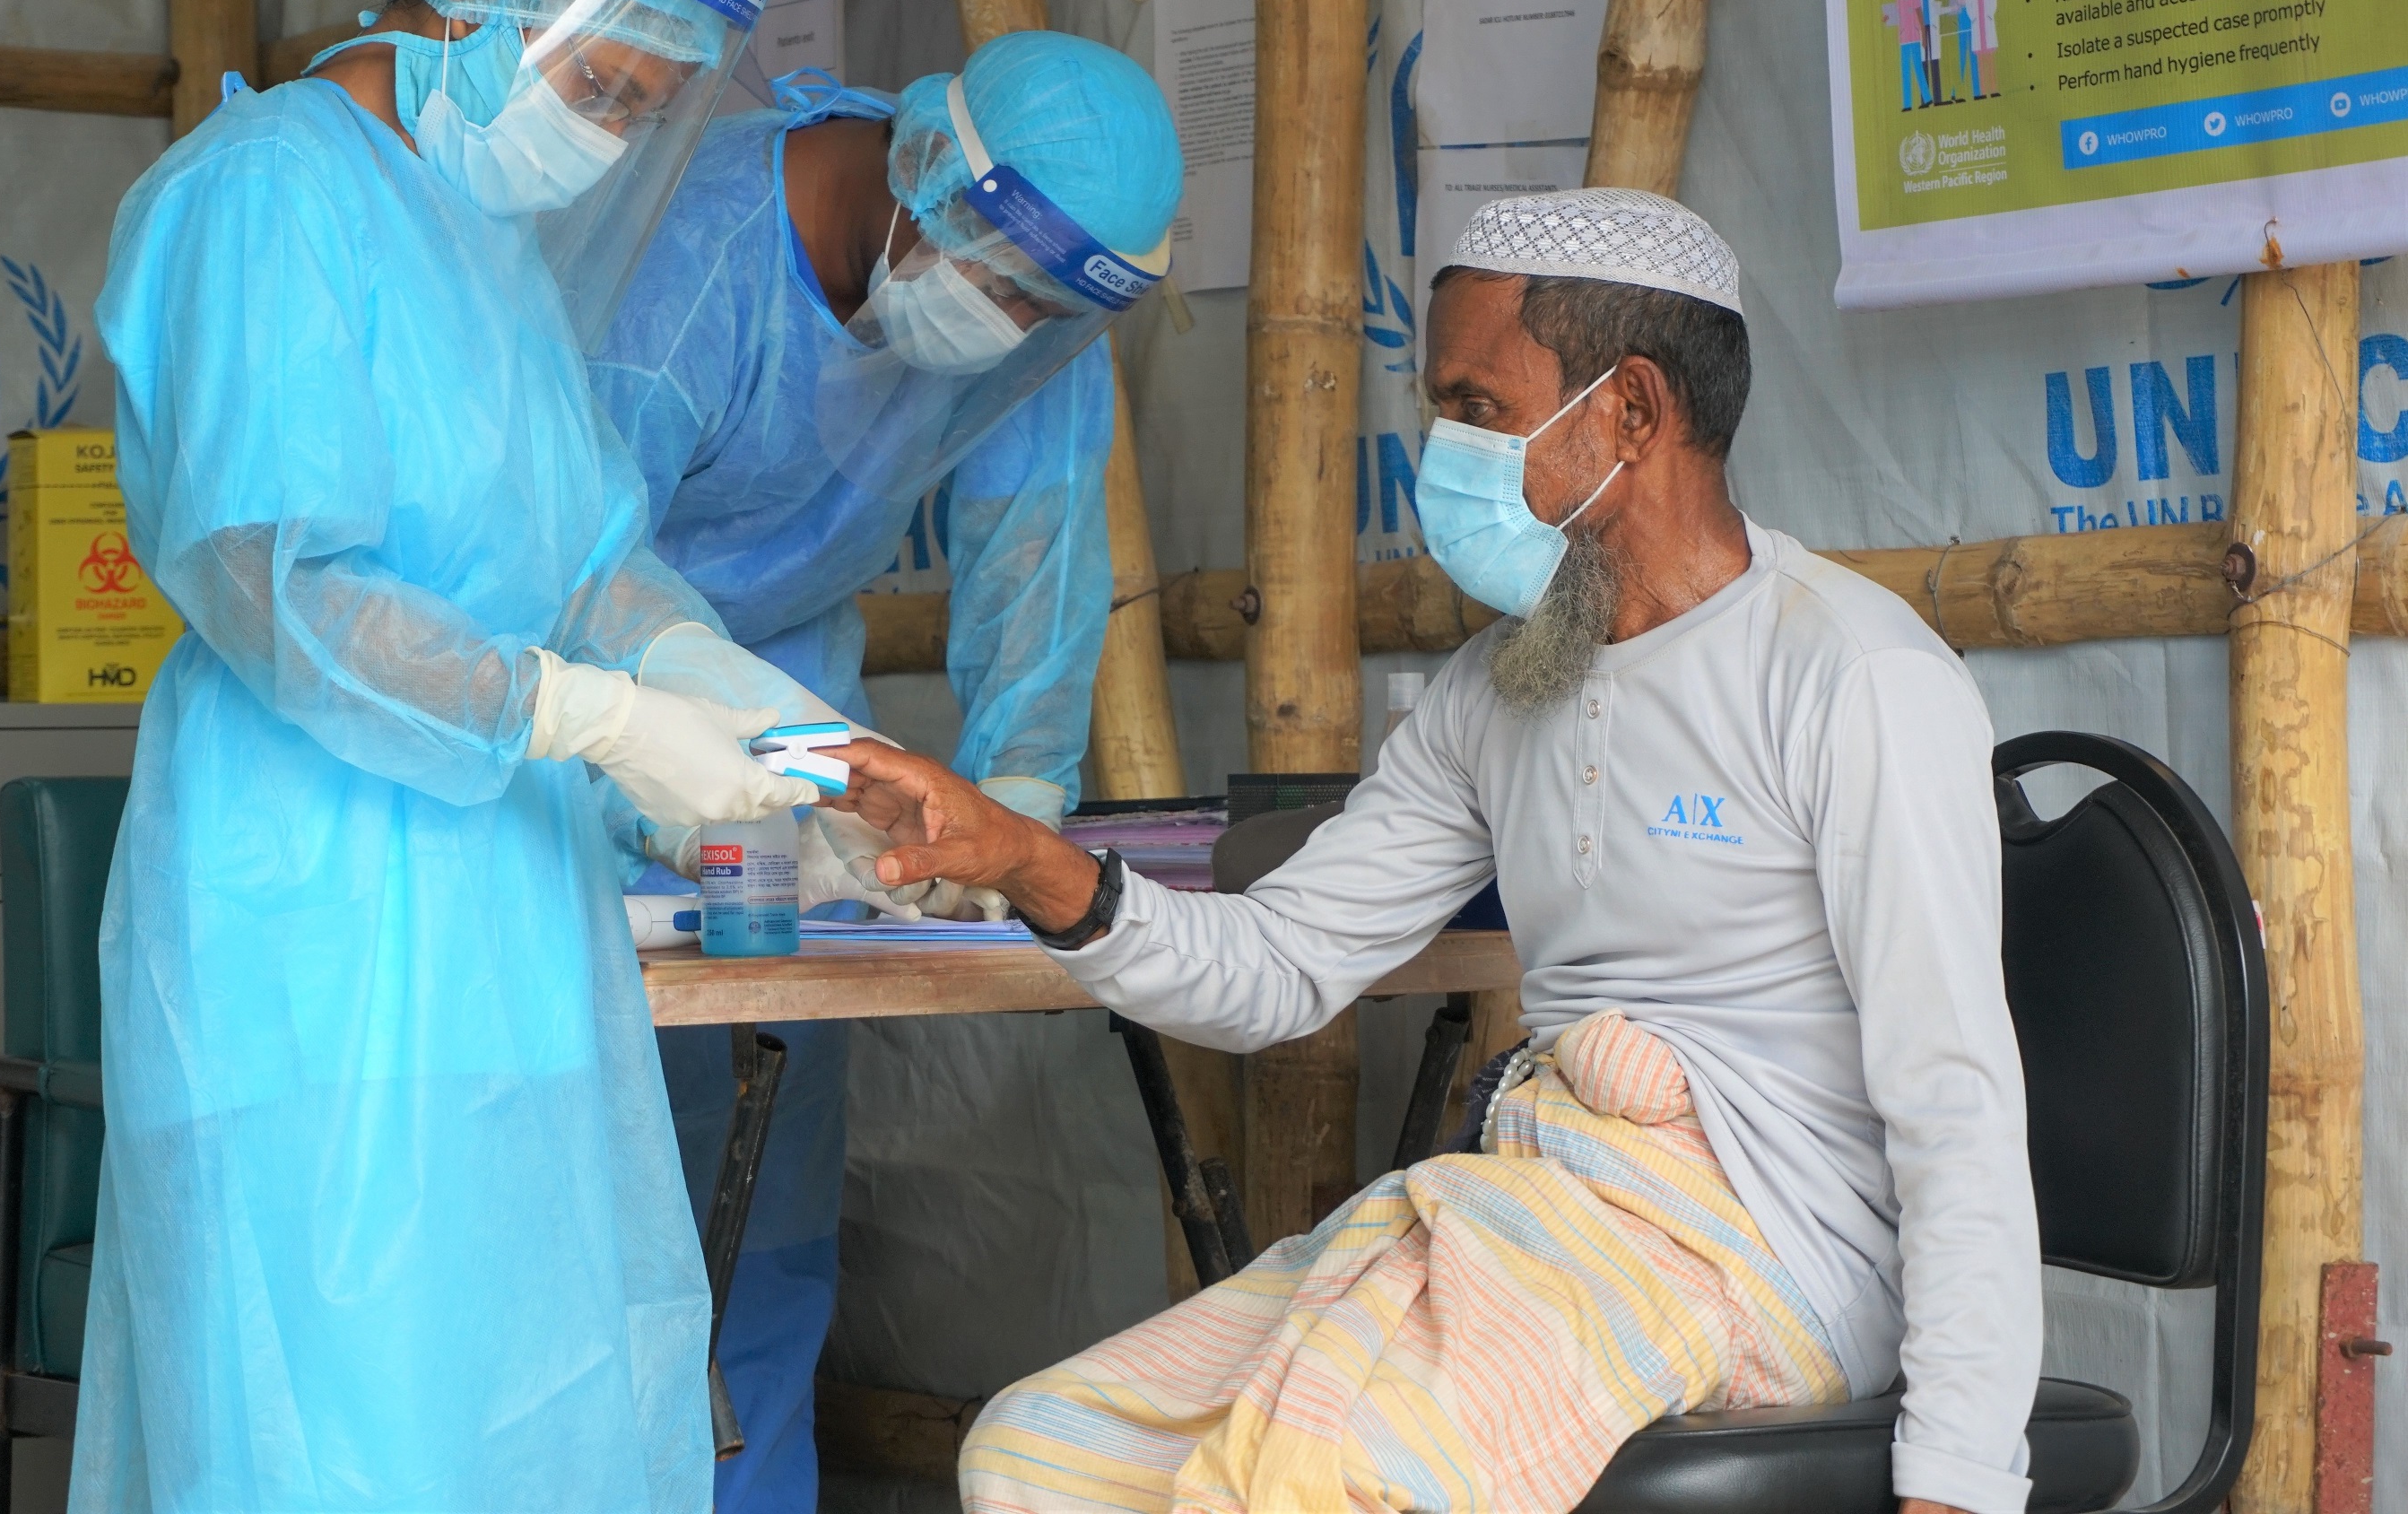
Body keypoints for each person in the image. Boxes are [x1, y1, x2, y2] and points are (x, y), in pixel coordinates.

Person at [826, 190, 2039, 1514]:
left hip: (1767, 1253)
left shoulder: (1852, 674)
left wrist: (1958, 1477)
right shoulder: (1498, 687)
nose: (1440, 451)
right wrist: (1021, 858)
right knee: (1041, 1448)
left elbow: (1954, 1100)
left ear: (1634, 410)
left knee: (1304, 1482)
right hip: (1533, 1205)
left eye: (1476, 406)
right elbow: (1276, 963)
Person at [75, 0, 844, 1511]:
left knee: (534, 1400)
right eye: (603, 81)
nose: (612, 132)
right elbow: (274, 586)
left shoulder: (487, 247)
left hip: (510, 917)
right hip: (311, 921)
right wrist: (587, 717)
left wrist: (742, 706)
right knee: (331, 1420)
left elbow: (582, 565)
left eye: (649, 105)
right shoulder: (266, 194)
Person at [551, 32, 1182, 1511]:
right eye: (1006, 287)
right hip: (586, 716)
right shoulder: (688, 259)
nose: (1015, 326)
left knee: (761, 1211)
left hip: (798, 714)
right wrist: (736, 739)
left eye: (1046, 307)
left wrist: (1017, 809)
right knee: (576, 1230)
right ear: (924, 171)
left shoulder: (1037, 311)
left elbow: (1041, 558)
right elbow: (570, 561)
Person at [1883, 0, 1927, 112]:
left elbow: (1920, 16)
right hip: (1904, 40)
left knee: (1918, 69)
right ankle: (1907, 103)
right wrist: (1887, 18)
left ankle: (1927, 98)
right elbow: (1895, 17)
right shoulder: (1898, 0)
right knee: (1905, 71)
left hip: (1914, 38)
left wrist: (1923, 36)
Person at [1957, 0, 1999, 98]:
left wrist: (1989, 14)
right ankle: (1983, 91)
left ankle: (1993, 89)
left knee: (1990, 59)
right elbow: (1969, 4)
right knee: (1981, 60)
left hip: (1987, 21)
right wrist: (1974, 17)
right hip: (1977, 23)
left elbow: (1993, 0)